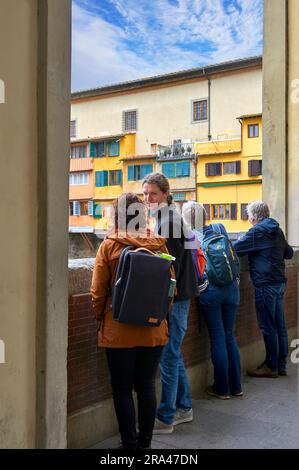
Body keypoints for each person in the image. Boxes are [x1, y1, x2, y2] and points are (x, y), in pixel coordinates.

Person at [91, 193, 171, 450]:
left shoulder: (109, 245)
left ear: (116, 215)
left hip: (119, 330)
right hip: (153, 330)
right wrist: (158, 316)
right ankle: (146, 445)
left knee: (122, 389)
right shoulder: (159, 245)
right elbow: (171, 290)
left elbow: (97, 291)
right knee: (146, 386)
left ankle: (129, 445)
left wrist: (101, 318)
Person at [142, 173, 198, 434]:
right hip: (183, 296)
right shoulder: (172, 218)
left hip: (176, 300)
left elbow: (168, 269)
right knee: (173, 354)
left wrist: (167, 302)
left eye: (152, 193)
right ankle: (184, 407)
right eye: (145, 194)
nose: (148, 198)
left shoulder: (168, 222)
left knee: (168, 355)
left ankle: (166, 417)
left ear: (165, 194)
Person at [182, 201, 242, 400]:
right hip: (232, 288)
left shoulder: (190, 238)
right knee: (229, 336)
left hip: (211, 291)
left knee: (217, 336)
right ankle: (236, 386)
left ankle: (222, 389)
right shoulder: (219, 229)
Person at [234, 201, 293, 377]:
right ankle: (281, 366)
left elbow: (235, 249)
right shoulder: (277, 229)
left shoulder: (257, 231)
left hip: (265, 284)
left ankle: (271, 366)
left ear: (253, 217)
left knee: (268, 326)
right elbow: (289, 253)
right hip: (279, 282)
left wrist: (243, 240)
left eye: (249, 217)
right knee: (280, 326)